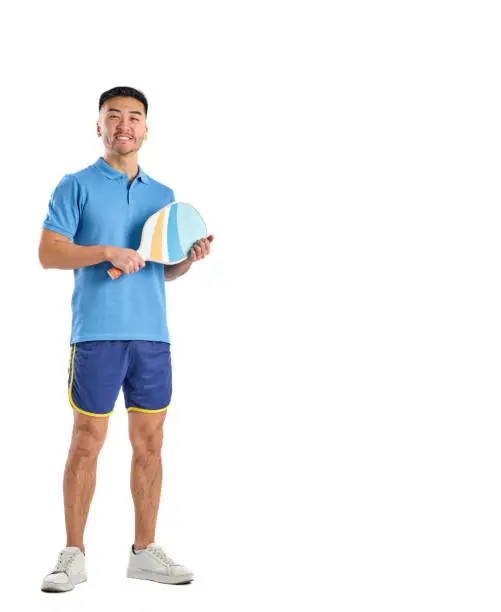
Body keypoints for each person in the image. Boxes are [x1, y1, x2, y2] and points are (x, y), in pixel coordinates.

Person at [38, 86, 213, 592]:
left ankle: (144, 552)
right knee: (86, 441)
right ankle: (73, 554)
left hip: (152, 338)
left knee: (151, 445)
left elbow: (163, 269)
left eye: (134, 116)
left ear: (146, 129)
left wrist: (187, 259)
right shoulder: (75, 186)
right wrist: (106, 251)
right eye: (113, 115)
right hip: (96, 336)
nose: (124, 124)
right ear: (99, 126)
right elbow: (49, 253)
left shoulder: (163, 196)